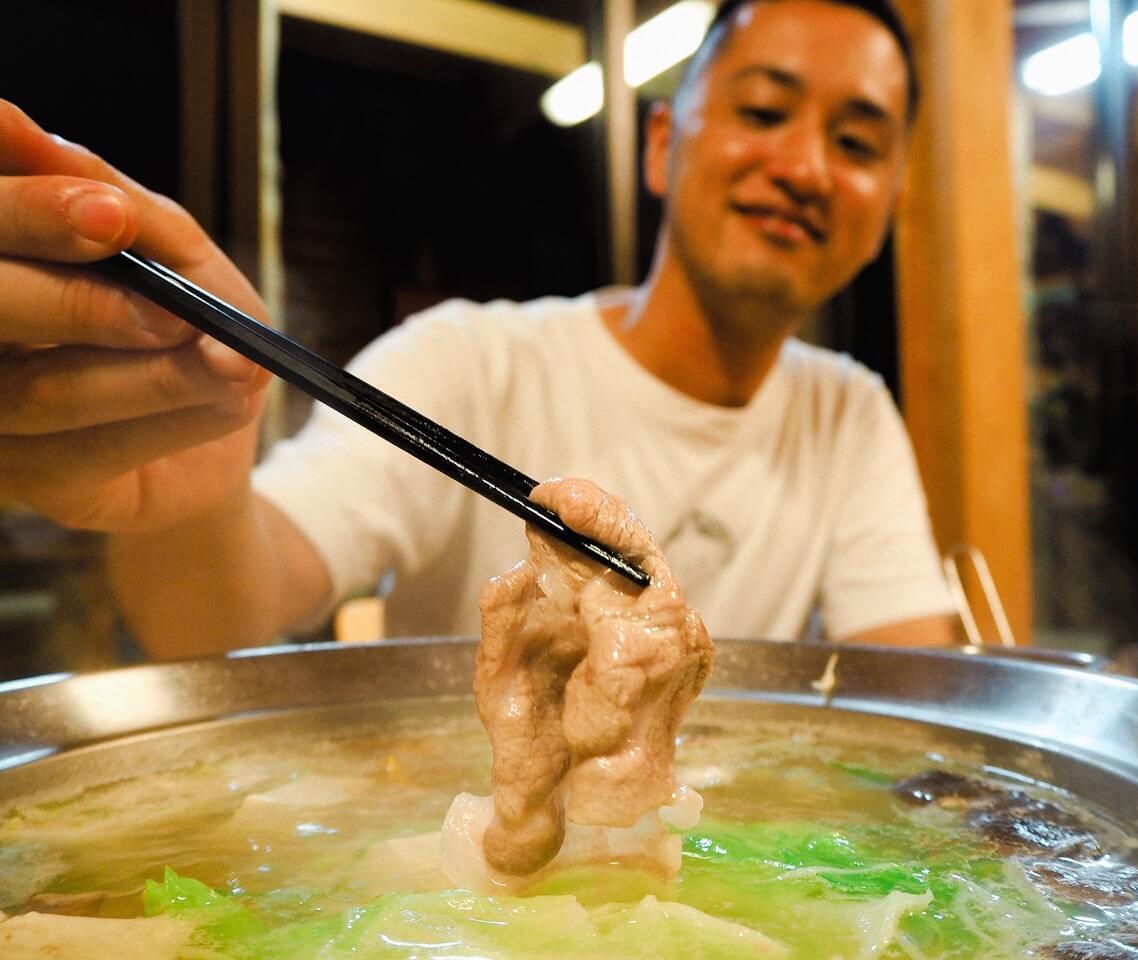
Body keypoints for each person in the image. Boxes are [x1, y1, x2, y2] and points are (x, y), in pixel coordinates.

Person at [0, 0, 955, 659]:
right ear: (663, 145)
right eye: (763, 110)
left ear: (891, 204)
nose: (805, 167)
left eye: (858, 142)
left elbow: (917, 720)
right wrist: (193, 491)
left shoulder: (848, 411)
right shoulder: (473, 360)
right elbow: (221, 618)